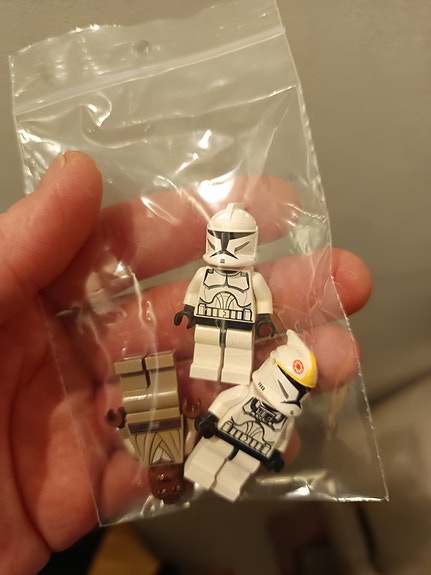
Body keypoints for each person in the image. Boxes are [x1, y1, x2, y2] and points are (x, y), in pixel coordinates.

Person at [0, 151, 372, 575]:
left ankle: (221, 460)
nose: (228, 248)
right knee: (210, 372)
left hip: (238, 353)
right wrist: (191, 316)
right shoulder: (209, 278)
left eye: (235, 242)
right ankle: (210, 449)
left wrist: (261, 321)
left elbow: (234, 393)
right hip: (213, 338)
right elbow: (200, 317)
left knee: (233, 374)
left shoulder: (249, 287)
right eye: (223, 241)